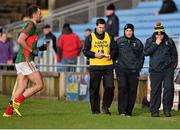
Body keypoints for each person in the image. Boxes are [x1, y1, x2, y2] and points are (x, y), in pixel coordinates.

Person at [3, 5, 48, 117]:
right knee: (39, 85)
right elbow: (20, 40)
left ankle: (8, 112)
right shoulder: (30, 24)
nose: (41, 15)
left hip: (21, 60)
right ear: (34, 15)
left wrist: (41, 48)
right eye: (39, 13)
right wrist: (31, 50)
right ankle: (17, 101)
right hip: (26, 60)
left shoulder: (33, 26)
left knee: (22, 87)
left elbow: (29, 45)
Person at [143, 21, 178, 117]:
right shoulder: (150, 40)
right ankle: (154, 111)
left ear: (163, 32)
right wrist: (156, 44)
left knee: (169, 88)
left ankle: (167, 109)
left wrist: (173, 66)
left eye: (161, 33)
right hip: (155, 70)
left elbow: (174, 54)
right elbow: (145, 52)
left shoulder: (169, 41)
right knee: (155, 91)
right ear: (155, 33)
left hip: (168, 70)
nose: (159, 35)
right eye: (157, 33)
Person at [83, 18, 116, 115]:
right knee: (94, 89)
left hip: (108, 66)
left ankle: (105, 107)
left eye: (103, 27)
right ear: (96, 26)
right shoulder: (90, 37)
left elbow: (115, 49)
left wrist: (111, 55)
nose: (101, 29)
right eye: (100, 27)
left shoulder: (109, 36)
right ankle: (95, 110)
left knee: (110, 87)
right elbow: (85, 51)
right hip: (95, 66)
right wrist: (94, 55)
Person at [115, 24, 144, 116]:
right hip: (121, 70)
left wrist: (138, 67)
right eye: (127, 30)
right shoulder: (119, 41)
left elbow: (141, 57)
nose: (128, 32)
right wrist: (116, 67)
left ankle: (128, 111)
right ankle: (122, 111)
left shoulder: (138, 42)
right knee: (123, 88)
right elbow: (114, 54)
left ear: (133, 31)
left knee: (132, 91)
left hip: (133, 71)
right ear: (124, 31)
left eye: (130, 30)